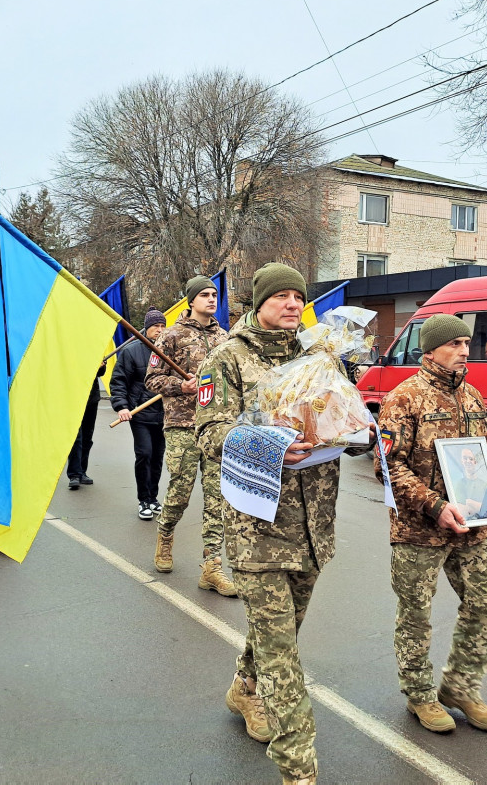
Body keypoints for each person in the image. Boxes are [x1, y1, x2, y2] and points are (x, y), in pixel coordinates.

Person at [196, 263, 343, 785]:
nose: (289, 303)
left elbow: (338, 417)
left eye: (297, 297)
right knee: (282, 649)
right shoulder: (226, 358)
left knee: (282, 630)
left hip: (312, 525)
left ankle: (244, 687)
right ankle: (299, 766)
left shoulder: (319, 357)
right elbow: (210, 434)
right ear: (258, 302)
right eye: (279, 295)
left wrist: (347, 423)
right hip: (257, 528)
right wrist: (269, 441)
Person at [374, 313, 487, 735]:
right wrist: (434, 505)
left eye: (467, 344)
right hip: (420, 528)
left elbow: (481, 457)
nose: (463, 352)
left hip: (471, 524)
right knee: (417, 613)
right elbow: (386, 466)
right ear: (430, 349)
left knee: (485, 602)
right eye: (453, 344)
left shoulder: (472, 397)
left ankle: (461, 688)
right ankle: (420, 695)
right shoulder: (404, 398)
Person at [144, 275, 234, 596]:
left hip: (215, 428)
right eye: (205, 295)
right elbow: (152, 381)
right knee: (180, 492)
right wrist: (180, 386)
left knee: (216, 498)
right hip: (182, 425)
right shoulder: (170, 337)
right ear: (191, 301)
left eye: (214, 294)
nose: (212, 299)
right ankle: (165, 534)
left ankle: (212, 566)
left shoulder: (225, 338)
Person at [110, 308, 166, 520]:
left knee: (158, 457)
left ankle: (153, 498)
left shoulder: (169, 351)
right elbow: (119, 381)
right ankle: (143, 500)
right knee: (145, 454)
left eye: (162, 326)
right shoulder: (131, 351)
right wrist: (121, 406)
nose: (159, 331)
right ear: (146, 328)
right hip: (139, 413)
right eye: (155, 327)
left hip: (163, 415)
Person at [66, 360, 107, 490]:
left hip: (91, 398)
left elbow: (100, 373)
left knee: (87, 437)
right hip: (73, 398)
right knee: (76, 438)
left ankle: (82, 471)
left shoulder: (95, 347)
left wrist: (101, 366)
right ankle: (74, 474)